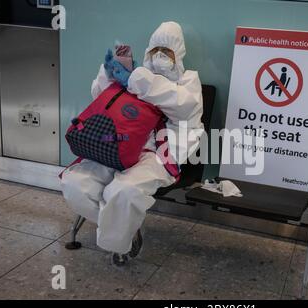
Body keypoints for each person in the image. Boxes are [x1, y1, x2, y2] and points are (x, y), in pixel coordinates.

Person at [61, 21, 204, 266]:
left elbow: (184, 108)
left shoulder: (186, 81)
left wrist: (136, 79)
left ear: (178, 54)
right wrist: (109, 74)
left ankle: (121, 244)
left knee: (123, 191)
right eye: (155, 50)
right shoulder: (134, 75)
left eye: (167, 51)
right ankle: (126, 226)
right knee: (76, 183)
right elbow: (102, 100)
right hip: (117, 143)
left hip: (158, 152)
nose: (159, 56)